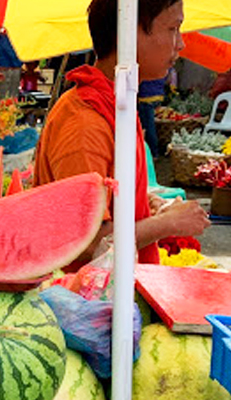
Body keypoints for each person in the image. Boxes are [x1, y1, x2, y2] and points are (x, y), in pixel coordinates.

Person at [34, 0, 210, 269]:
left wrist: (146, 204)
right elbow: (87, 242)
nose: (180, 44)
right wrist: (167, 224)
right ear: (127, 34)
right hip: (84, 301)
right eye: (173, 28)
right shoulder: (85, 121)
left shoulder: (117, 107)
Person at [138, 76, 166, 156]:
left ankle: (153, 152)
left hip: (147, 97)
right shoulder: (162, 66)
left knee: (148, 127)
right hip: (158, 94)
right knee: (151, 125)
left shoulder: (147, 66)